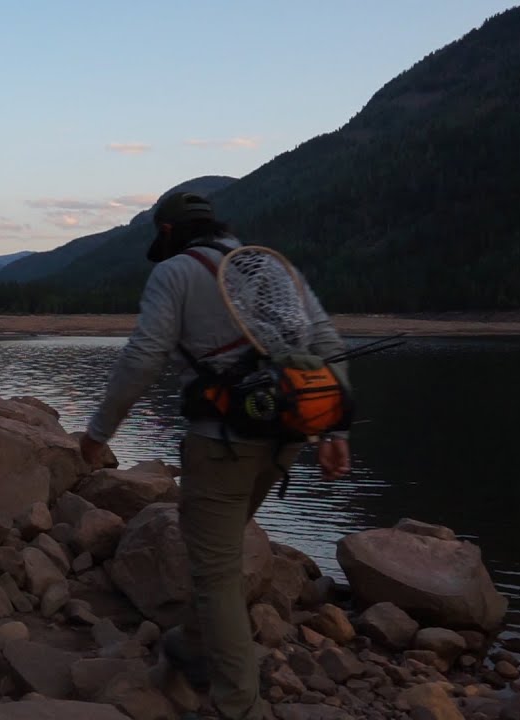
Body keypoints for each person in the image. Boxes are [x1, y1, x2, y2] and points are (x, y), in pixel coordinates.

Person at [78, 191, 352, 720]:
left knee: (217, 575)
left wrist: (98, 432)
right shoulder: (273, 269)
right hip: (284, 440)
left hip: (219, 442)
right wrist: (334, 428)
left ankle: (237, 706)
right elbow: (324, 341)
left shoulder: (175, 271)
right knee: (217, 560)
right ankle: (187, 647)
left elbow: (145, 355)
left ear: (165, 231)